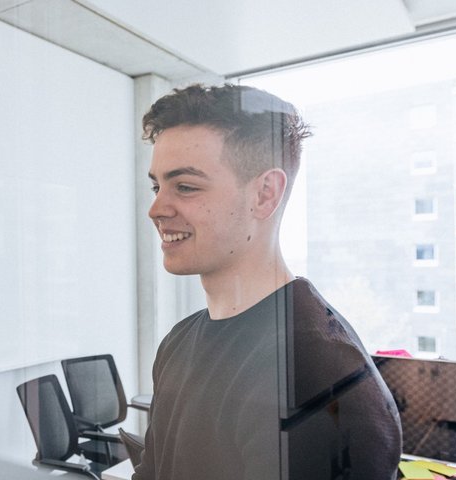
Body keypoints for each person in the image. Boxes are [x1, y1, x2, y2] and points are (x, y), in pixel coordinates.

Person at [131, 84, 401, 479]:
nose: (156, 209)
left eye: (185, 186)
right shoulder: (178, 343)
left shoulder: (314, 372)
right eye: (157, 186)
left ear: (264, 194)